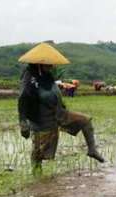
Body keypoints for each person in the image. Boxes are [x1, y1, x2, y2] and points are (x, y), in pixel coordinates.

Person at [17, 42, 105, 172]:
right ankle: (36, 177)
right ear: (40, 63)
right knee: (38, 152)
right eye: (48, 64)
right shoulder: (29, 77)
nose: (52, 66)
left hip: (59, 113)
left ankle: (92, 150)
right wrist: (23, 122)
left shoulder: (47, 75)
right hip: (42, 119)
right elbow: (22, 99)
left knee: (85, 121)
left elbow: (53, 90)